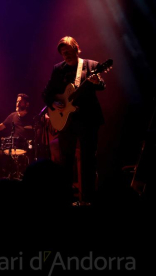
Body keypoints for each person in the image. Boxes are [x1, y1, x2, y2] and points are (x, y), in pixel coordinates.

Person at [42, 36, 106, 205]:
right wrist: (54, 103)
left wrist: (97, 80)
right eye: (63, 53)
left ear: (77, 48)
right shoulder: (58, 69)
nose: (66, 56)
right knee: (66, 161)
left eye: (69, 52)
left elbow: (102, 85)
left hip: (88, 119)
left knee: (88, 160)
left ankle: (88, 200)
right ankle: (66, 199)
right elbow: (46, 93)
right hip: (66, 122)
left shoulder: (91, 65)